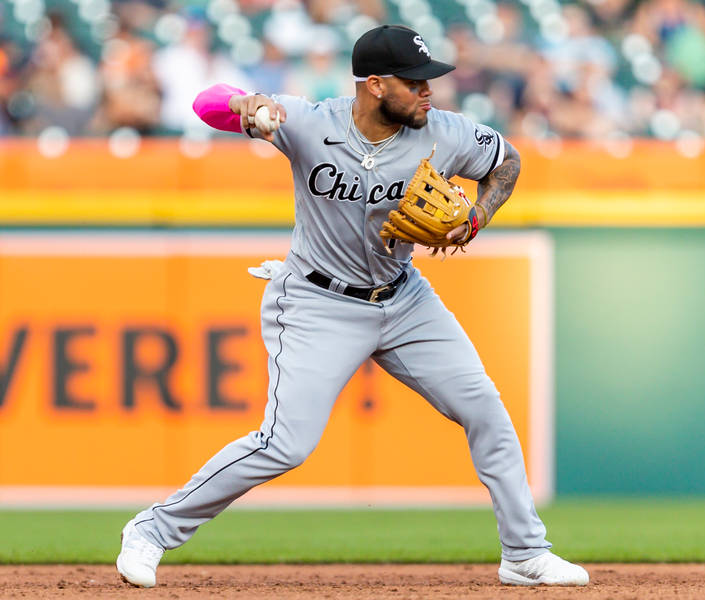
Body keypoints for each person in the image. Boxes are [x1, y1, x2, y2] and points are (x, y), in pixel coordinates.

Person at [115, 24, 589, 588]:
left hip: (404, 298)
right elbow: (205, 104)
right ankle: (152, 529)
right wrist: (250, 106)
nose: (428, 91)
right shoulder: (308, 123)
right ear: (375, 85)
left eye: (428, 80)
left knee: (485, 409)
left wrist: (477, 216)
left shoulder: (447, 132)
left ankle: (525, 552)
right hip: (318, 301)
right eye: (414, 82)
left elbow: (507, 163)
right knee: (285, 445)